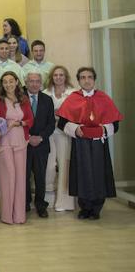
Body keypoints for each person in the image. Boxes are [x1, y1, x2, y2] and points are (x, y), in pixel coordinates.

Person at [56, 67, 123, 220]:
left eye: (90, 77)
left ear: (94, 79)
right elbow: (62, 123)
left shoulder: (103, 98)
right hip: (80, 144)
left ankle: (96, 208)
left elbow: (115, 124)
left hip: (99, 144)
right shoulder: (73, 98)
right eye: (83, 77)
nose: (87, 80)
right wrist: (75, 128)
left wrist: (103, 130)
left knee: (98, 173)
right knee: (82, 173)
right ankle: (84, 208)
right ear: (79, 80)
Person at [0, 71, 34, 224]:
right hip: (4, 142)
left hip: (20, 141)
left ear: (17, 82)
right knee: (7, 178)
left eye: (11, 81)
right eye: (5, 82)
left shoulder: (24, 99)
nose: (8, 84)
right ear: (2, 84)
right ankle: (7, 216)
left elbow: (30, 120)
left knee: (21, 179)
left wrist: (18, 123)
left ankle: (19, 216)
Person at [43, 65, 76, 211]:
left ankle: (64, 202)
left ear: (66, 77)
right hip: (49, 134)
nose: (58, 77)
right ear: (52, 77)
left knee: (64, 167)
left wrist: (58, 115)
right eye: (55, 75)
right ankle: (48, 196)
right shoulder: (45, 93)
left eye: (61, 75)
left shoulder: (73, 94)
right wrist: (57, 115)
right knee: (49, 167)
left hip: (65, 134)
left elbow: (75, 114)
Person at [24, 71, 55, 218]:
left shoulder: (47, 100)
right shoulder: (19, 98)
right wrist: (28, 137)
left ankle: (41, 205)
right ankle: (24, 203)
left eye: (37, 81)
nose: (34, 84)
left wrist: (40, 137)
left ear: (40, 83)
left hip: (42, 145)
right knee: (23, 176)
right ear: (26, 83)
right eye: (31, 81)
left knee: (40, 177)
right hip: (24, 143)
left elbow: (51, 124)